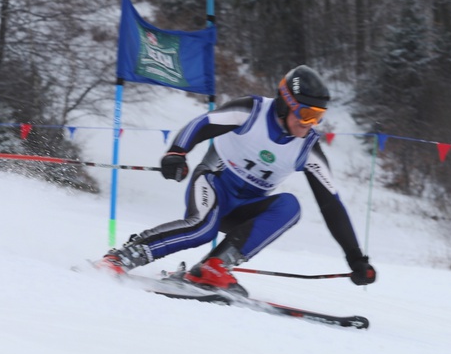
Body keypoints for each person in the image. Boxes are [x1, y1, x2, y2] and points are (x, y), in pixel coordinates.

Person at [97, 65, 376, 293]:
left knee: (290, 206)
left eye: (318, 117)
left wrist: (355, 256)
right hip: (213, 183)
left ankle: (213, 268)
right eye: (306, 114)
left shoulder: (308, 147)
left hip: (246, 207)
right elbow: (201, 124)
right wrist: (177, 153)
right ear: (286, 103)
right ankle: (124, 256)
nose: (310, 123)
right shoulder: (252, 111)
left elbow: (331, 205)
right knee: (202, 229)